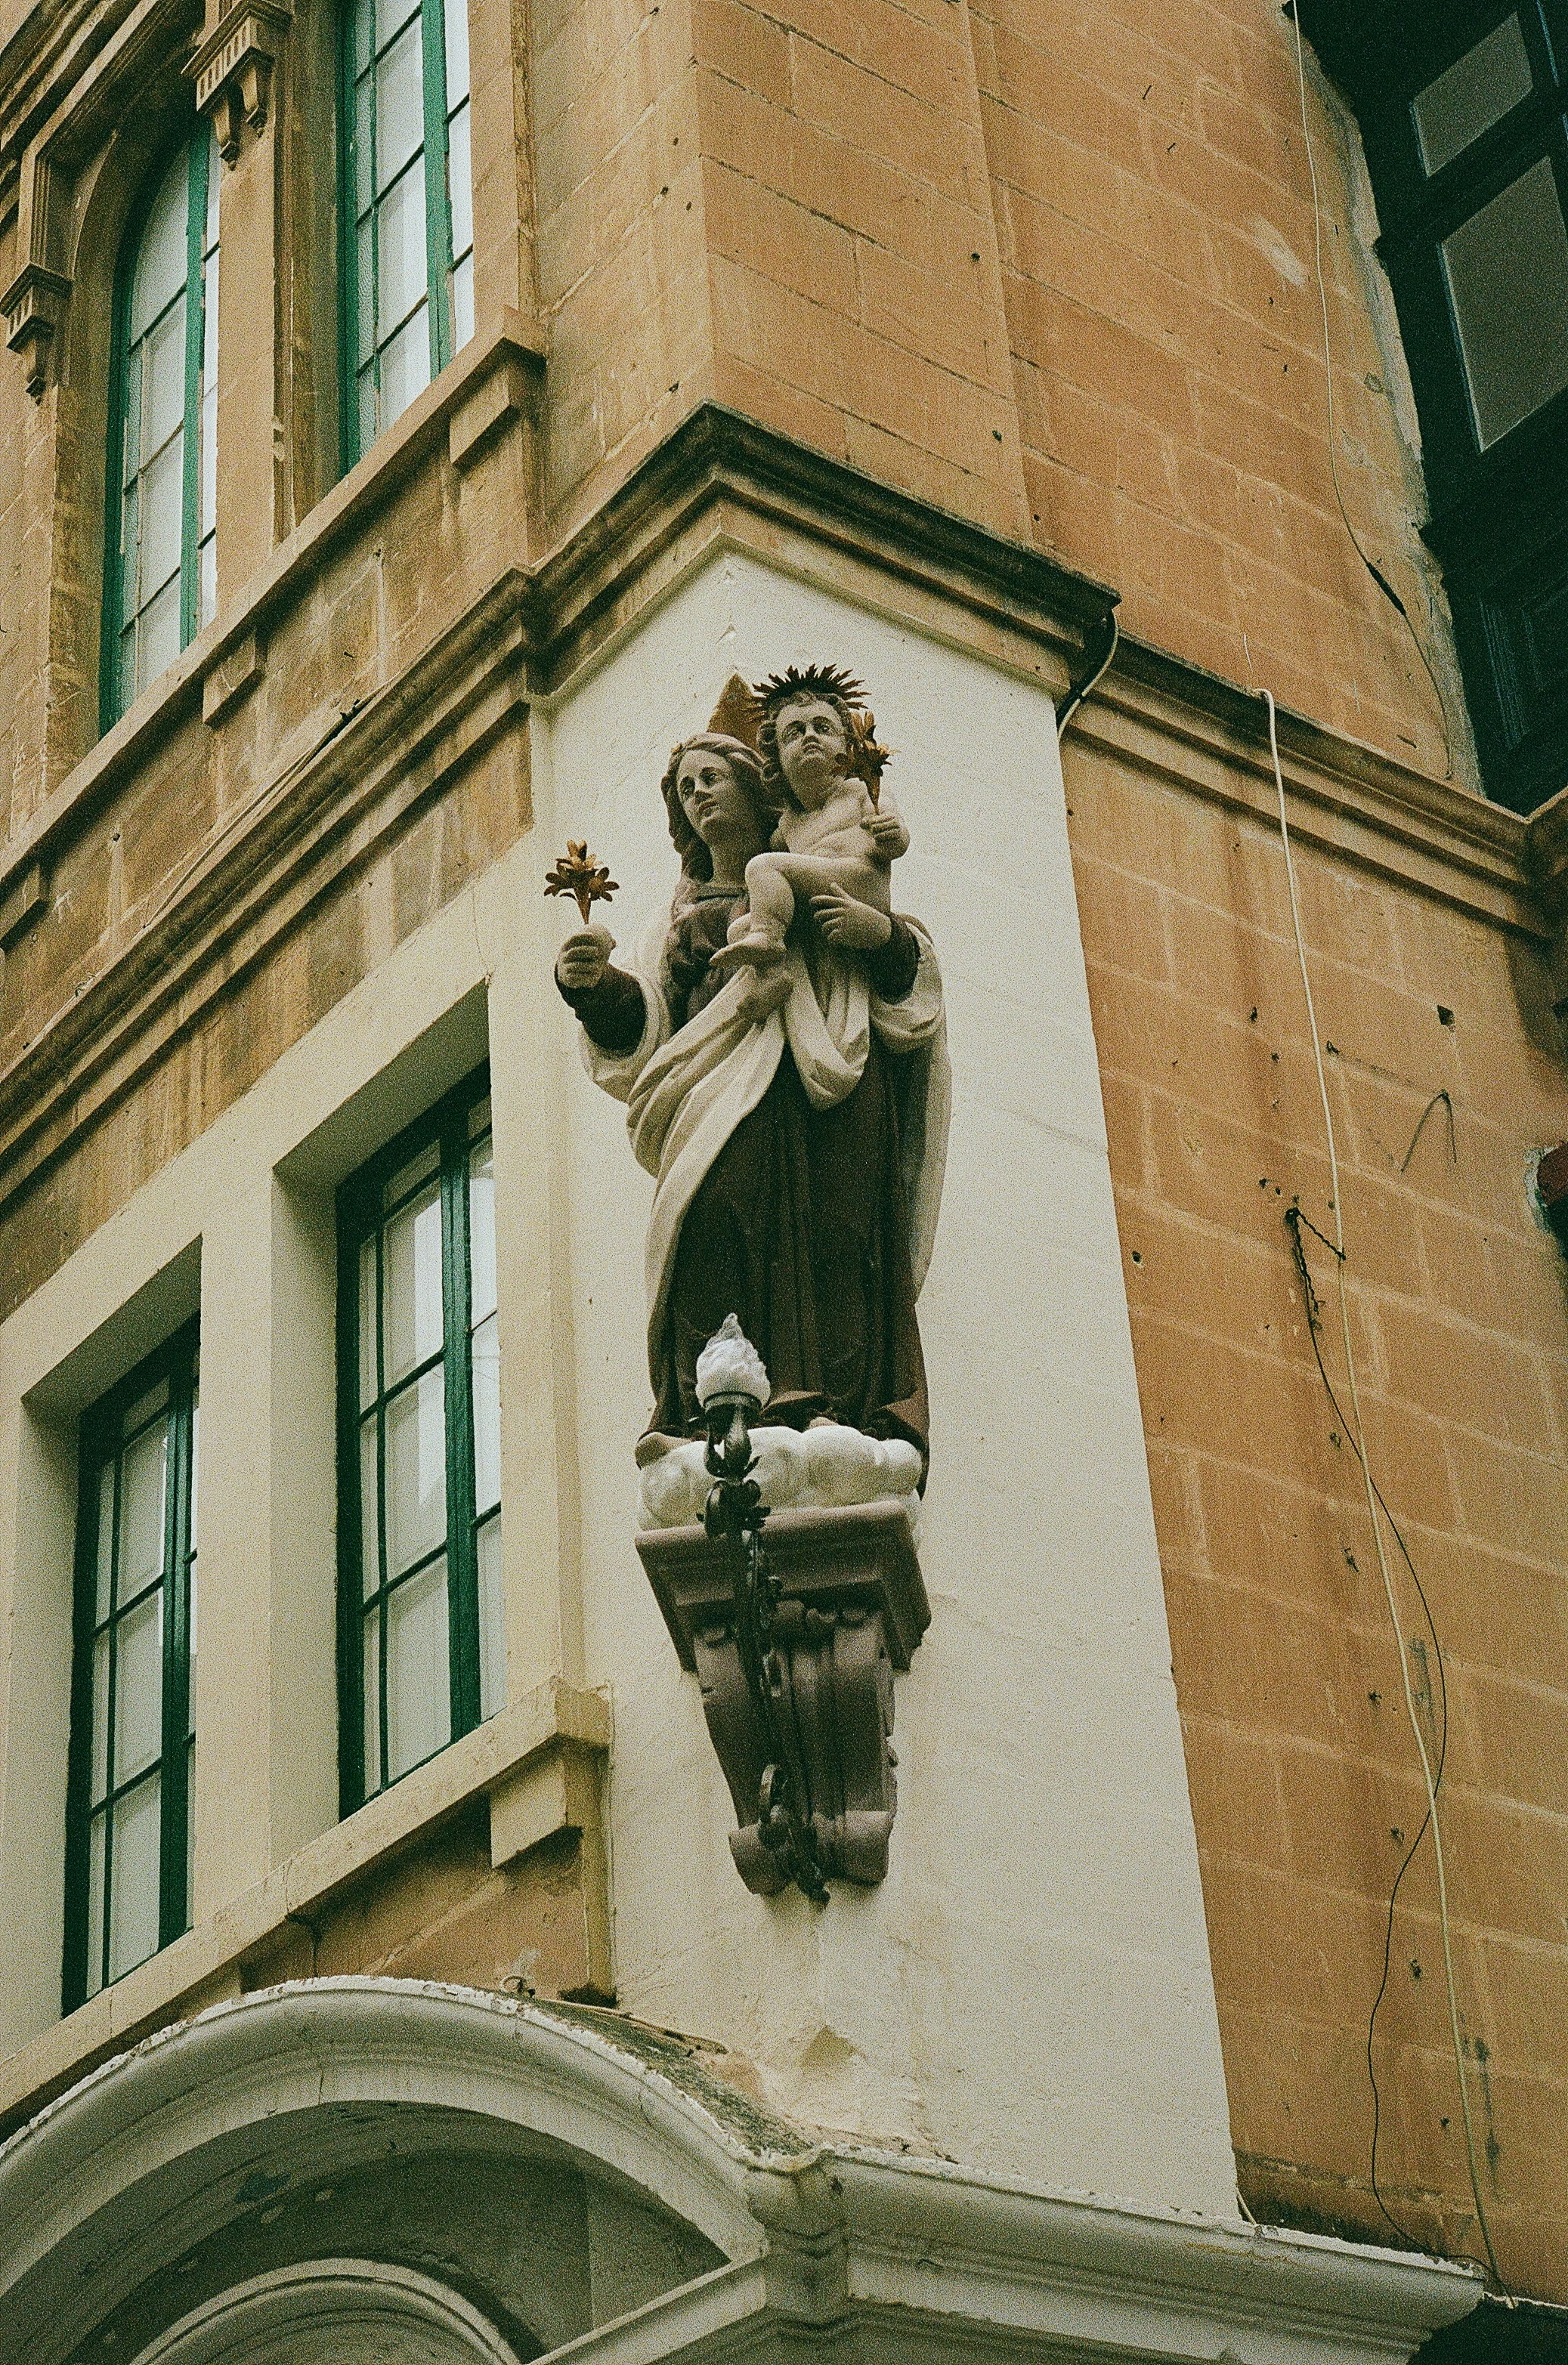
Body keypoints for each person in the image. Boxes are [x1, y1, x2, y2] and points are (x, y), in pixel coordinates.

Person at [554, 678, 948, 1476]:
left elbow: (907, 984)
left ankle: (845, 1411)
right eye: (685, 789)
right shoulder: (676, 912)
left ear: (751, 782)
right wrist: (594, 990)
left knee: (840, 1236)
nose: (699, 797)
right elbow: (647, 1027)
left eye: (711, 778)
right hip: (714, 1096)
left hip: (825, 1085)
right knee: (707, 1225)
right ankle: (706, 1417)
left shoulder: (818, 861)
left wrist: (877, 940)